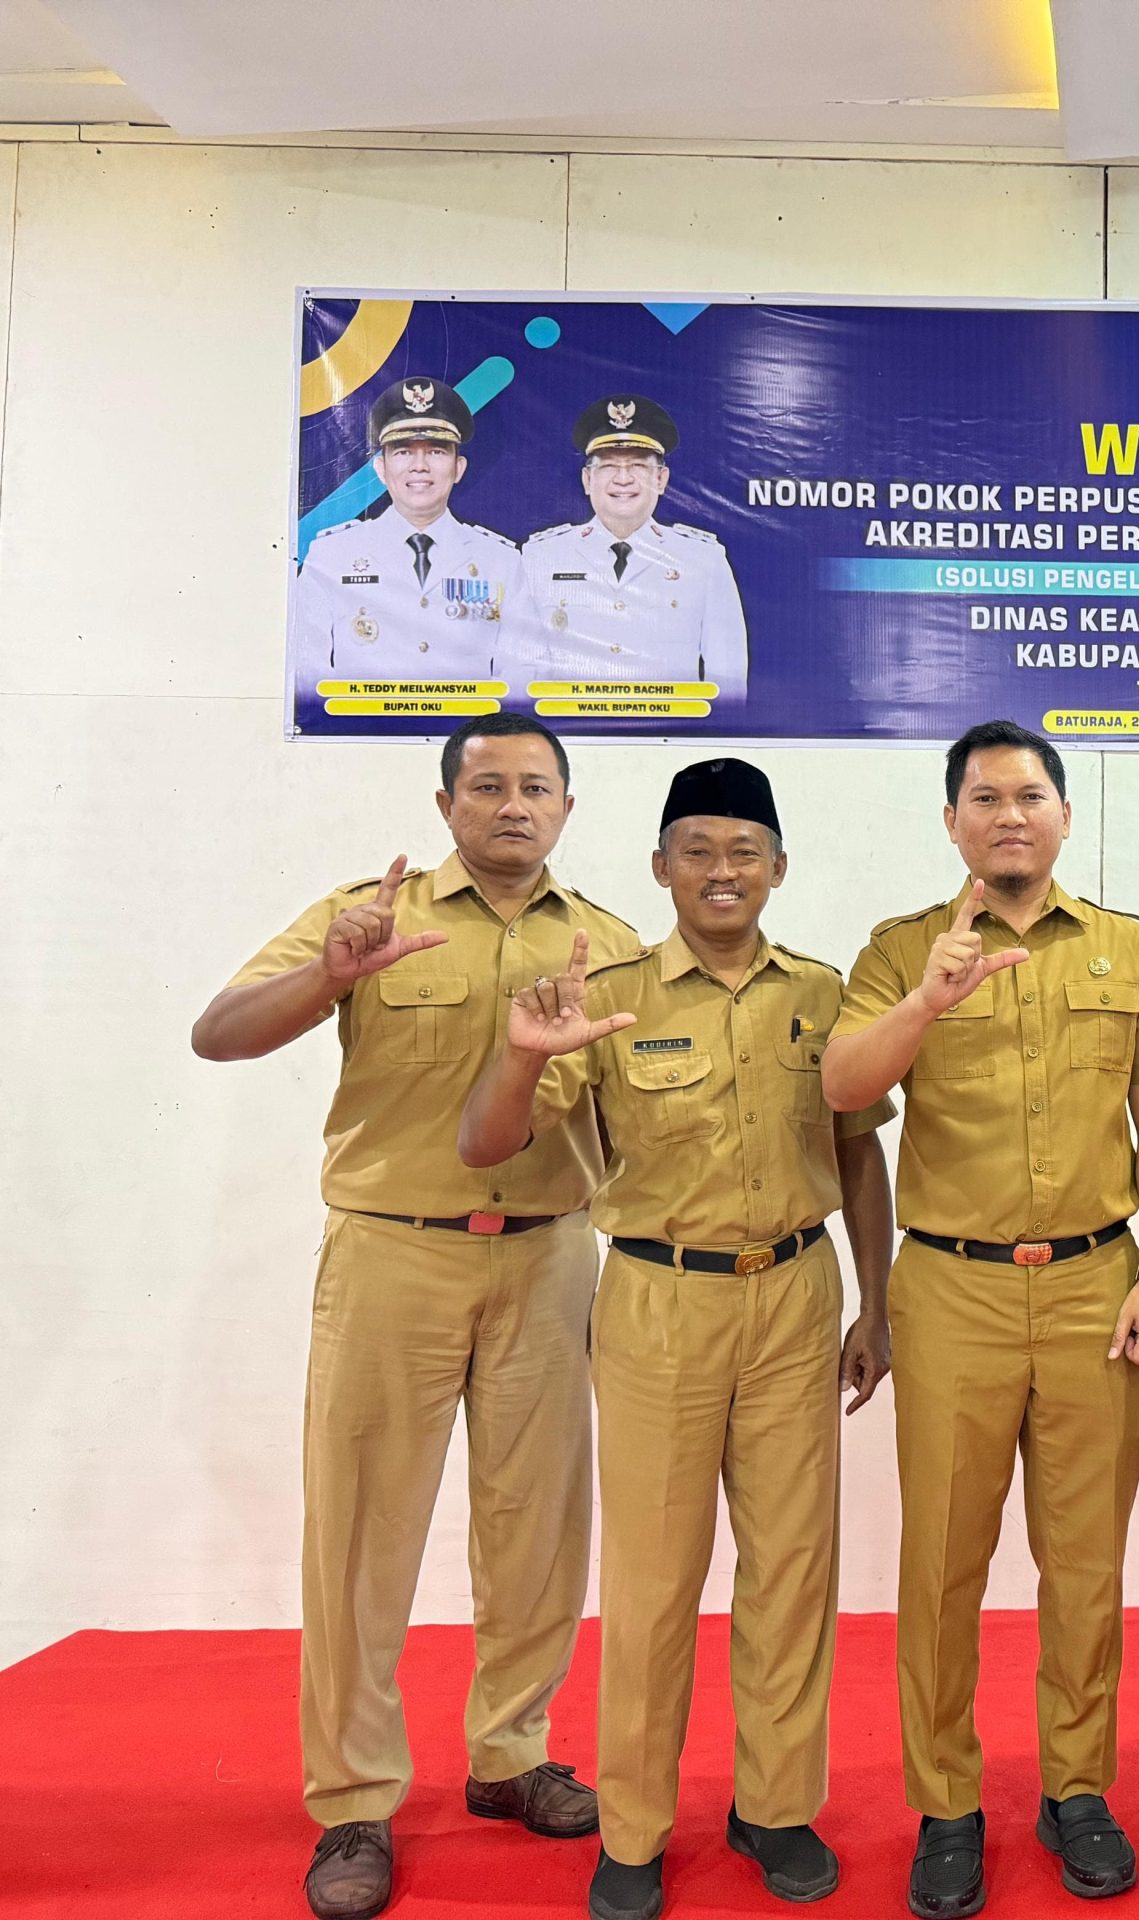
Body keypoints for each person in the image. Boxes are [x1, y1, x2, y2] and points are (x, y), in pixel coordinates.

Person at [190, 714, 637, 1920]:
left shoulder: (609, 943)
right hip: (392, 1252)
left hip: (549, 1257)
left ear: (566, 807)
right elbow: (217, 1034)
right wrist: (330, 977)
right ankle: (353, 1800)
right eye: (486, 786)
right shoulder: (368, 915)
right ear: (446, 806)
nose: (512, 805)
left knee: (539, 1525)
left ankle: (511, 1752)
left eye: (535, 787)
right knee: (361, 1532)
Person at [456, 758, 896, 1920]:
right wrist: (523, 1053)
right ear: (661, 867)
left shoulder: (822, 994)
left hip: (795, 1295)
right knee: (653, 1581)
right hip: (658, 1299)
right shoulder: (607, 995)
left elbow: (858, 1150)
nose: (721, 871)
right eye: (696, 851)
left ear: (779, 868)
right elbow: (488, 1145)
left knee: (793, 1567)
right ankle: (636, 1826)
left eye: (743, 851)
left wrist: (878, 1302)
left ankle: (776, 1807)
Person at [820, 720, 1139, 1919]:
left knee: (1083, 1564)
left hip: (1096, 1287)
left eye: (1030, 795)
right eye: (983, 798)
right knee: (942, 1562)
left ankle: (1076, 1788)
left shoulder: (1126, 948)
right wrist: (924, 1003)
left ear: (1064, 816)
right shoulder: (899, 950)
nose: (1009, 815)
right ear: (952, 822)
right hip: (952, 1292)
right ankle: (946, 1803)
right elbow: (842, 1086)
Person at [295, 376, 523, 696]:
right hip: (363, 725)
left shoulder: (502, 562)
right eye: (403, 452)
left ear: (458, 468)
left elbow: (523, 670)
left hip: (470, 726)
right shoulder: (331, 556)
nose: (419, 466)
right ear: (381, 469)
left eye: (436, 452)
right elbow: (305, 667)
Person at [509, 395, 750, 695]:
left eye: (637, 466)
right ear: (587, 479)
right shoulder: (541, 557)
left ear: (661, 479)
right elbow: (519, 668)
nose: (623, 479)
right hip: (569, 723)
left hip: (669, 724)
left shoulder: (703, 559)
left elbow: (727, 676)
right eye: (609, 466)